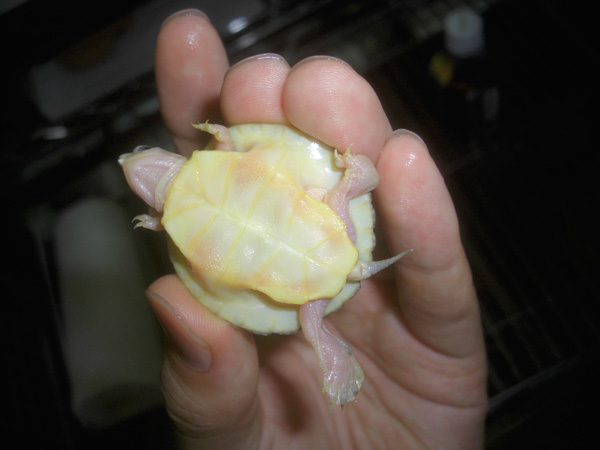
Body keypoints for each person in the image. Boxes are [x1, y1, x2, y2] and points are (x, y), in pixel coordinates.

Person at [145, 9, 488, 449]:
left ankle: (331, 351)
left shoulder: (177, 217)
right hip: (327, 253)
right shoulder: (187, 201)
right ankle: (332, 345)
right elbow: (229, 157)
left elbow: (201, 253)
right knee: (337, 202)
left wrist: (161, 216)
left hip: (316, 273)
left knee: (308, 313)